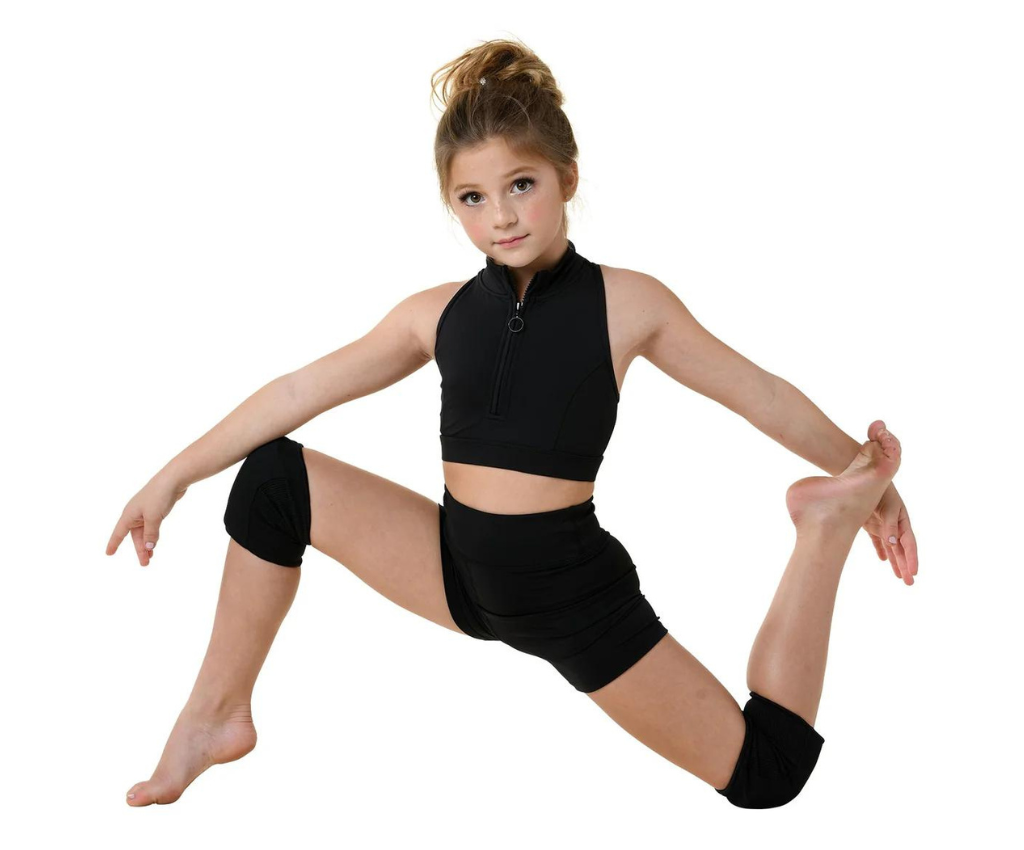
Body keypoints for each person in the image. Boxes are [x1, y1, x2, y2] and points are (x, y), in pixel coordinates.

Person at [109, 38, 917, 809]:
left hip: (567, 591)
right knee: (272, 482)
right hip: (458, 573)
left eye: (521, 184)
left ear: (567, 176)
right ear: (453, 206)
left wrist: (863, 476)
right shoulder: (434, 315)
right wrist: (171, 478)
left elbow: (759, 393)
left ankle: (822, 529)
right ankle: (216, 714)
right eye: (474, 198)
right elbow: (295, 391)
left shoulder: (628, 303)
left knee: (767, 773)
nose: (501, 215)